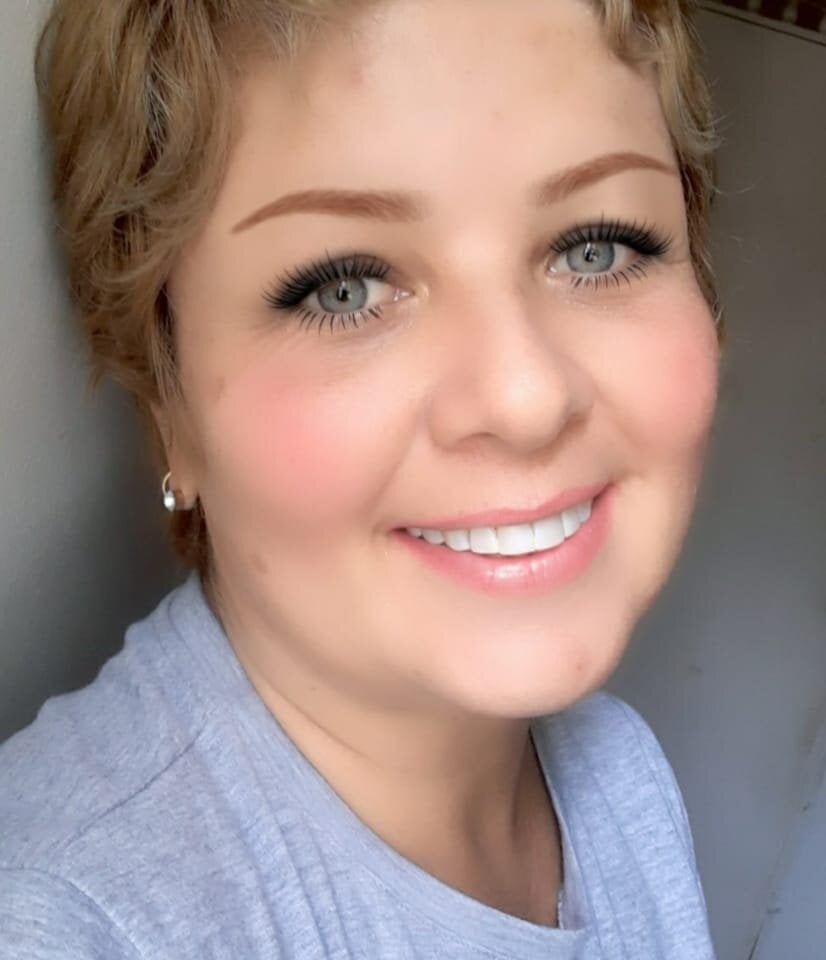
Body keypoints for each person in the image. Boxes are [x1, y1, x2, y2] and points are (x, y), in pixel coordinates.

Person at [0, 0, 722, 956]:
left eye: (598, 247)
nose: (526, 397)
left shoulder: (622, 775)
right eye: (346, 288)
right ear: (166, 397)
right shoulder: (65, 921)